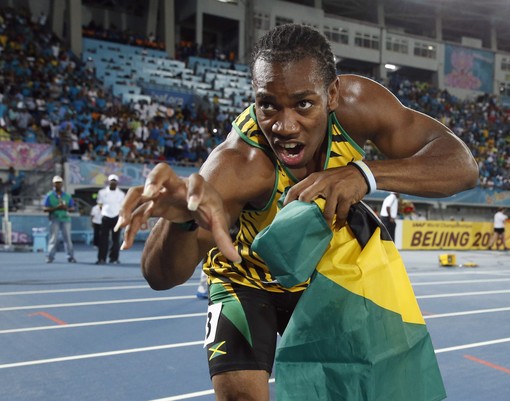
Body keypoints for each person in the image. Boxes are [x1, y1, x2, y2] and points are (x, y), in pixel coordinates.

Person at [117, 24, 478, 400]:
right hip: (246, 280)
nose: (285, 126)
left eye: (303, 104)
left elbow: (462, 166)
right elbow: (160, 277)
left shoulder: (359, 106)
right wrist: (180, 221)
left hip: (325, 273)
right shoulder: (237, 166)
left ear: (332, 94)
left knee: (362, 390)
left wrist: (364, 173)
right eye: (268, 105)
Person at [43, 175, 76, 263]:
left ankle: (70, 256)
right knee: (53, 238)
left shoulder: (67, 196)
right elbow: (45, 208)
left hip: (66, 219)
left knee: (68, 238)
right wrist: (56, 208)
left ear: (62, 184)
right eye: (56, 183)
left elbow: (73, 208)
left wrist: (66, 208)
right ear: (53, 184)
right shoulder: (49, 196)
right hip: (55, 218)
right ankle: (49, 256)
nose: (58, 185)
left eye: (59, 183)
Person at [96, 174, 125, 264]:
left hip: (116, 217)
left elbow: (123, 207)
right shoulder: (102, 192)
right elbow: (100, 204)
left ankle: (114, 258)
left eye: (114, 181)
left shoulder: (121, 194)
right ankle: (101, 259)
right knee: (103, 239)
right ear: (108, 182)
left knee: (116, 240)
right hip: (105, 217)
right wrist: (104, 213)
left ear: (117, 182)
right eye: (111, 180)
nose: (113, 182)